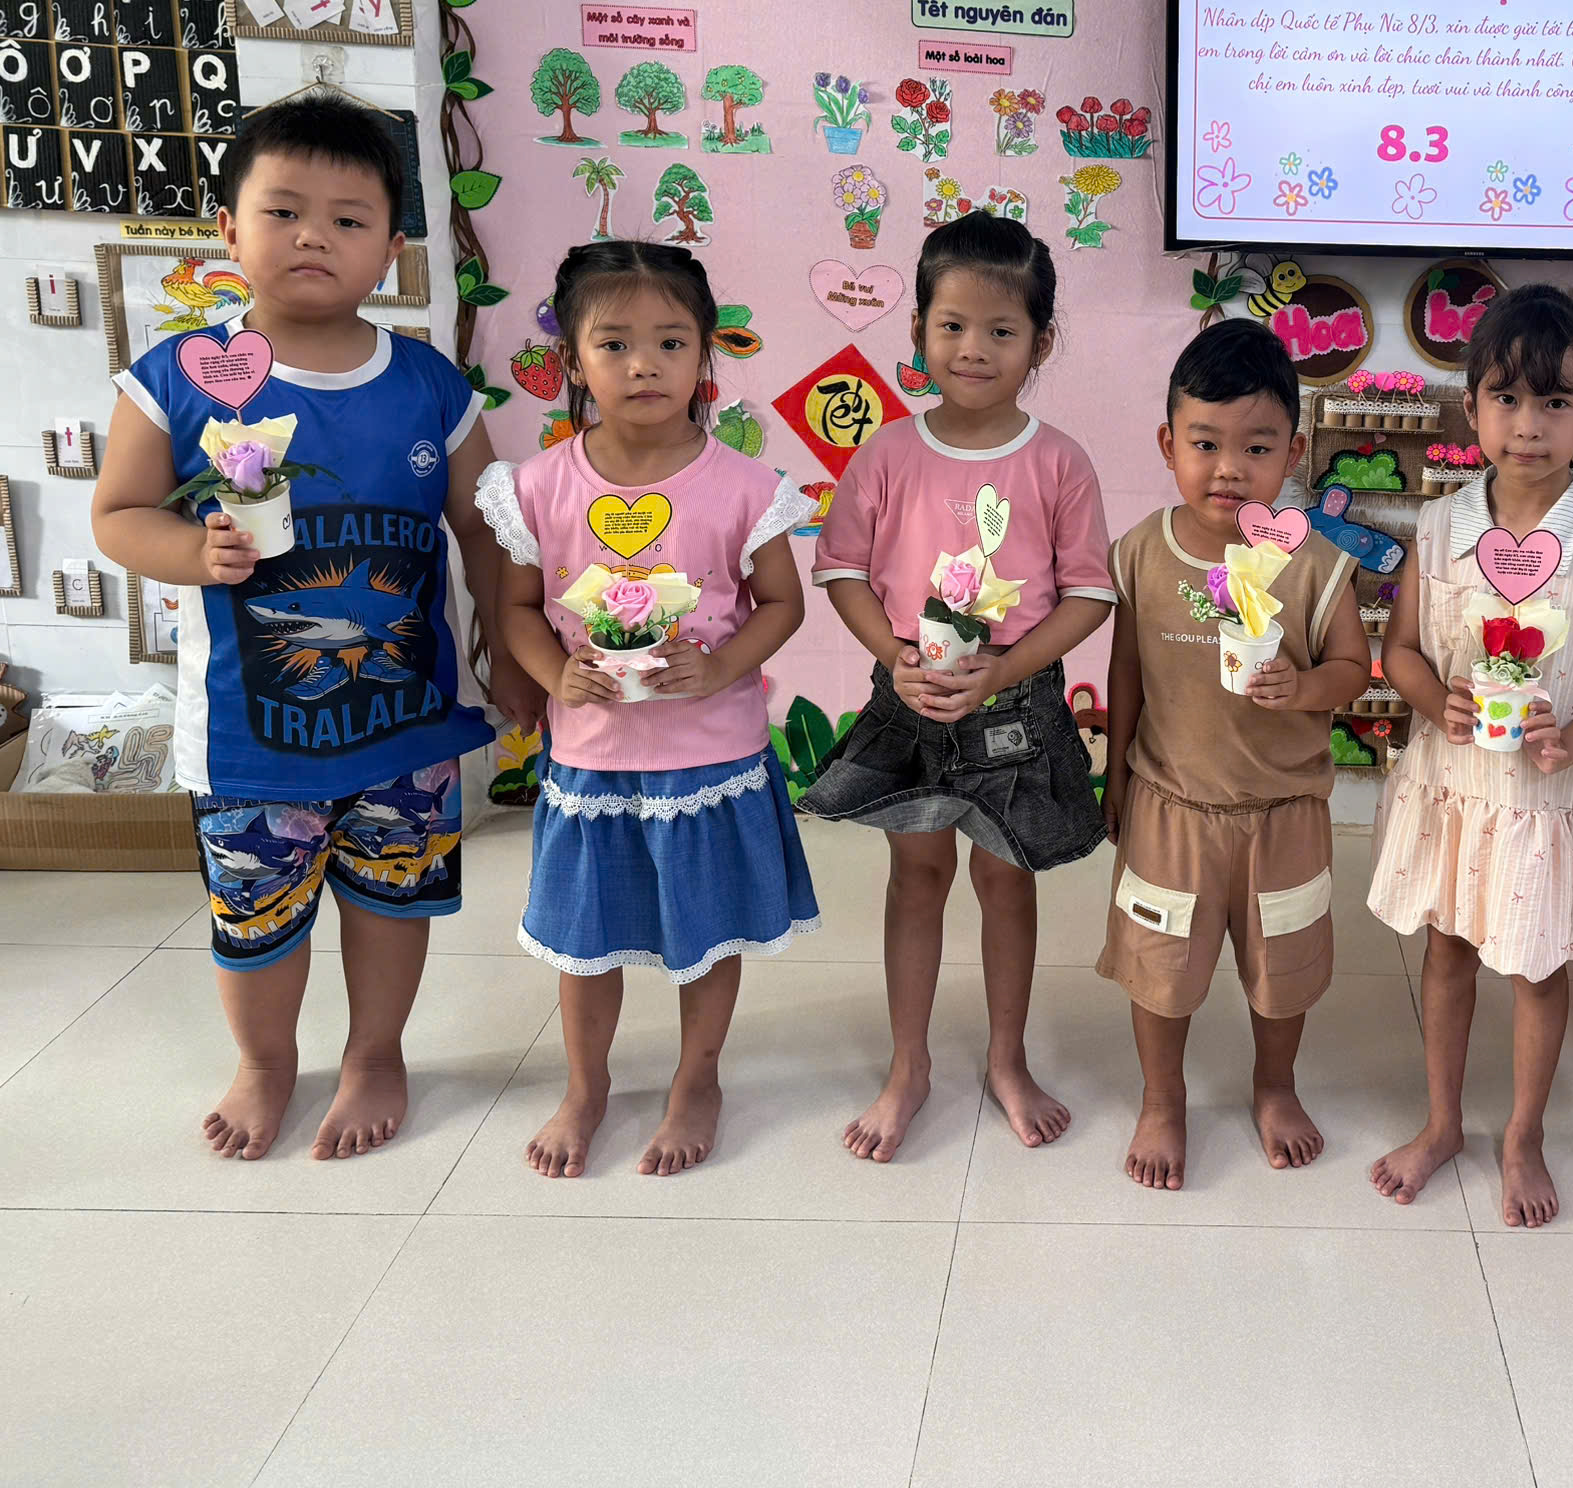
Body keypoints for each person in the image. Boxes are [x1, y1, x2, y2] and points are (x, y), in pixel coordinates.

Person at [93, 95, 541, 1162]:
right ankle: (265, 1063)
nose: (313, 237)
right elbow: (119, 515)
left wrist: (509, 654)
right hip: (250, 736)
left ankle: (376, 1054)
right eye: (283, 211)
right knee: (255, 916)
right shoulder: (174, 378)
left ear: (390, 249)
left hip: (406, 724)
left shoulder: (429, 385)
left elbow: (488, 532)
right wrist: (193, 552)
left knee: (395, 899)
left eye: (348, 219)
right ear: (227, 228)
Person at [476, 241, 817, 1178]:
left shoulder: (745, 487)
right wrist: (554, 675)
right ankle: (584, 1089)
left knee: (707, 932)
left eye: (671, 342)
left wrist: (721, 667)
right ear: (573, 360)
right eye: (615, 344)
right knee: (584, 940)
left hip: (710, 757)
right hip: (592, 760)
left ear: (705, 354)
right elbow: (515, 607)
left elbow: (782, 603)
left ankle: (697, 1080)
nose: (644, 365)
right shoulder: (537, 487)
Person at [800, 212, 1114, 1160]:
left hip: (1016, 708)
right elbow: (842, 570)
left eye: (1001, 330)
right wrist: (893, 655)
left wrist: (1004, 669)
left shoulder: (1058, 460)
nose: (974, 348)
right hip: (912, 701)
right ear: (919, 332)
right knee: (917, 877)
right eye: (952, 326)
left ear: (1040, 343)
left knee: (1006, 884)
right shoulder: (887, 454)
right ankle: (910, 1067)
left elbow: (1089, 593)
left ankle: (1008, 1060)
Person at [1367, 286, 1573, 1227]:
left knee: (1536, 967)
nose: (1528, 424)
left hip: (1548, 800)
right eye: (1507, 398)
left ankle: (1524, 1136)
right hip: (1456, 788)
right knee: (1447, 951)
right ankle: (1443, 1122)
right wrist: (1434, 699)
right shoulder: (1439, 527)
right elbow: (1401, 651)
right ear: (1472, 408)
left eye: (1556, 401)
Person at [1099, 319, 1371, 1189]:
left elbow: (1354, 668)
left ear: (1293, 452)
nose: (1228, 468)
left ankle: (1275, 1086)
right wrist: (1115, 776)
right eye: (1205, 442)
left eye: (1256, 447)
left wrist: (1305, 686)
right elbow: (1127, 672)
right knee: (1159, 969)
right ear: (1167, 445)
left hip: (1283, 812)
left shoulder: (1314, 563)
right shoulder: (1143, 551)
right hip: (1170, 804)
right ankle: (1162, 1098)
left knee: (1283, 969)